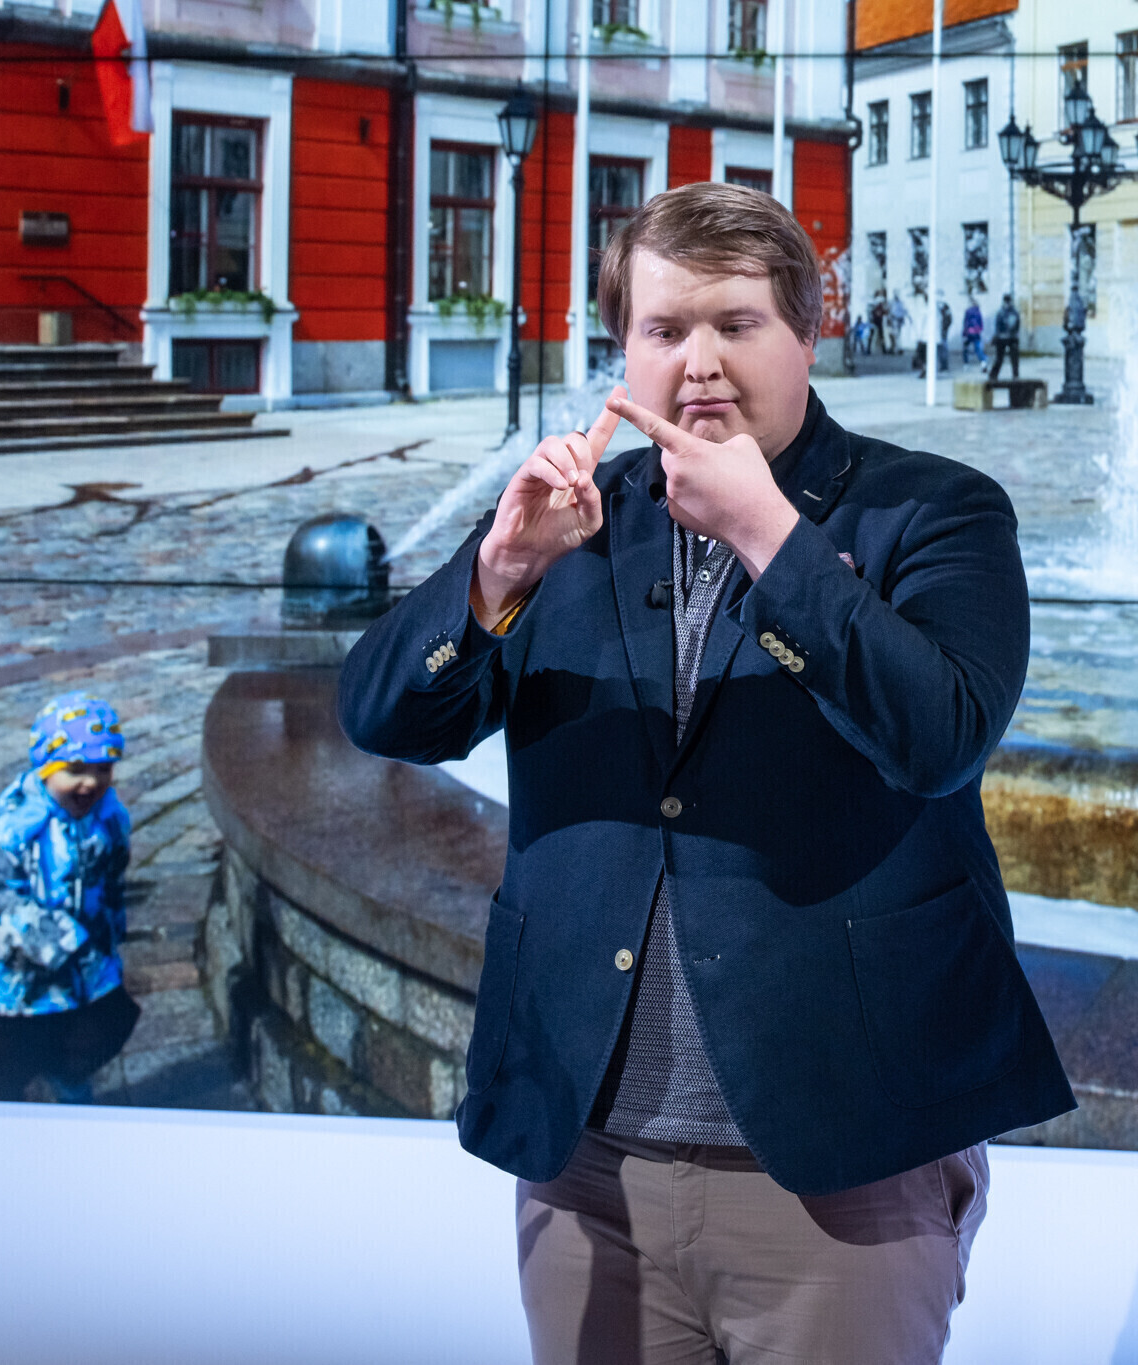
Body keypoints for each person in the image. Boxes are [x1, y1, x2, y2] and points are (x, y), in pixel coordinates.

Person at [338, 181, 1072, 1364]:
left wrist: (767, 536)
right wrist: (495, 575)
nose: (698, 362)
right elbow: (382, 717)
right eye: (662, 328)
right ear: (620, 350)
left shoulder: (933, 510)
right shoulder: (572, 520)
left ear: (806, 332)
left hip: (839, 1162)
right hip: (585, 1162)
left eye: (735, 323)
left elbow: (939, 738)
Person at [0, 691, 140, 1103]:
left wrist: (110, 926)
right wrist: (59, 940)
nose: (90, 783)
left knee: (97, 1029)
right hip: (21, 976)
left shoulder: (107, 819)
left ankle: (68, 1075)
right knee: (10, 1056)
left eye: (103, 770)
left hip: (87, 963)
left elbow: (112, 874)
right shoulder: (16, 829)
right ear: (46, 769)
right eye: (75, 770)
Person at [989, 292, 1023, 380]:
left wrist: (998, 335)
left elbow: (998, 327)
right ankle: (995, 375)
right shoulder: (1012, 312)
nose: (1007, 303)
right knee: (1007, 358)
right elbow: (1016, 325)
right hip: (1009, 338)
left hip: (1006, 338)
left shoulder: (1003, 312)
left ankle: (994, 375)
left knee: (1005, 358)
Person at [963, 294, 985, 366]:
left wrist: (964, 333)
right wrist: (980, 329)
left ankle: (966, 362)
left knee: (966, 348)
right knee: (977, 348)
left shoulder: (968, 311)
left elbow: (966, 322)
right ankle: (983, 361)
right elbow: (980, 322)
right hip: (976, 332)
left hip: (969, 332)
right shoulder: (978, 311)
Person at [888, 288, 909, 354]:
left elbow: (904, 311)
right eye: (895, 293)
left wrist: (904, 318)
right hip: (893, 320)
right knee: (893, 334)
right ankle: (894, 348)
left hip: (898, 320)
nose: (896, 295)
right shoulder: (891, 302)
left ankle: (898, 348)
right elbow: (889, 311)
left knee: (897, 335)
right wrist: (889, 319)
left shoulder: (901, 302)